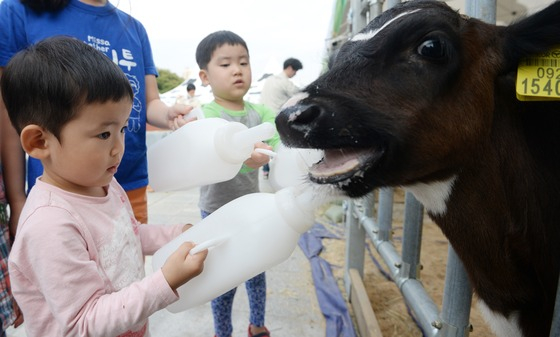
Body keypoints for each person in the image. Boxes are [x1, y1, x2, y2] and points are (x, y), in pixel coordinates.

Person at [1, 36, 207, 337]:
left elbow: (127, 236)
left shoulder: (104, 185)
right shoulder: (50, 225)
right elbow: (84, 322)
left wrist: (175, 236)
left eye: (122, 129)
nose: (118, 148)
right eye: (103, 135)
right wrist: (164, 281)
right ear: (39, 142)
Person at [0, 0, 193, 228]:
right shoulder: (19, 10)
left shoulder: (135, 28)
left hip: (128, 183)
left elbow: (150, 102)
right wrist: (18, 200)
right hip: (63, 191)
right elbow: (8, 113)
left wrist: (170, 114)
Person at [196, 30, 280, 337]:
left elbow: (278, 138)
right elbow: (212, 151)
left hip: (251, 209)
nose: (237, 70)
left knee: (256, 270)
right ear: (205, 76)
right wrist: (245, 155)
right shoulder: (206, 114)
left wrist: (275, 151)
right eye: (226, 64)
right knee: (223, 278)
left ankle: (257, 325)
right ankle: (223, 332)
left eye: (243, 62)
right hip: (217, 212)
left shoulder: (260, 113)